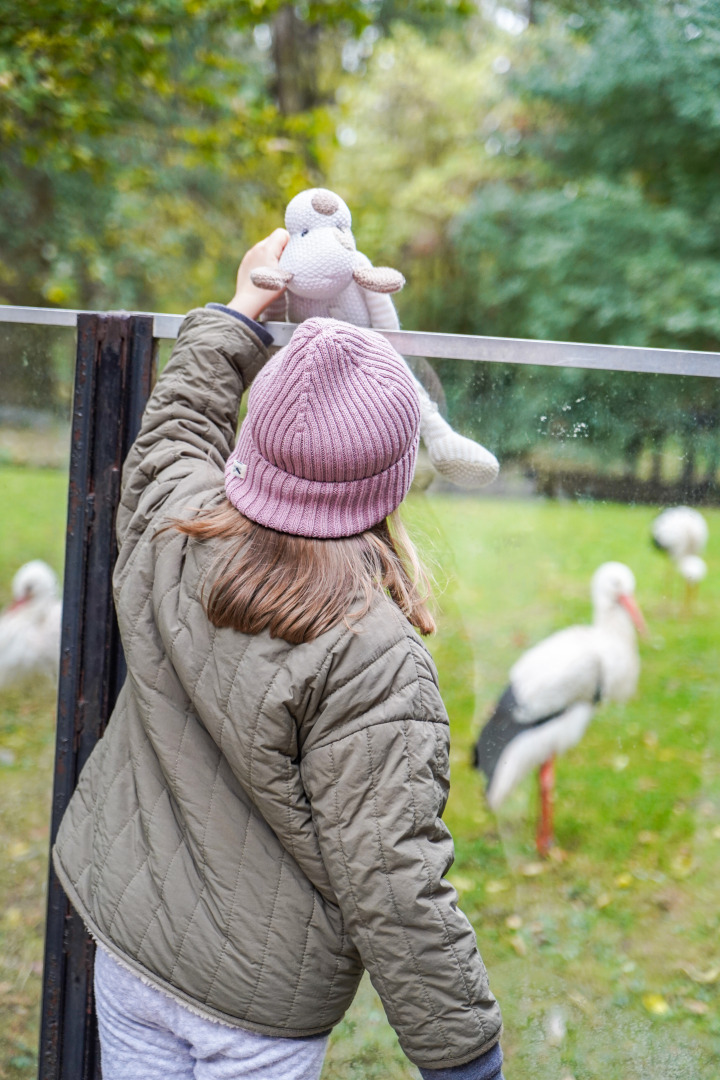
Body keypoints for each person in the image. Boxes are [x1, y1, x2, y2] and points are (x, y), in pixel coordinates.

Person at [53, 228, 504, 1080]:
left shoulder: (173, 520)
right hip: (256, 1015)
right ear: (393, 481)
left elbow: (177, 426)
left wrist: (237, 310)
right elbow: (393, 877)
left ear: (254, 444)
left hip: (129, 944)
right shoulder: (374, 655)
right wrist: (464, 1055)